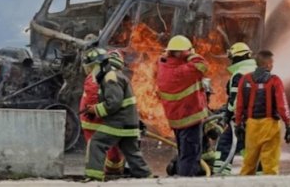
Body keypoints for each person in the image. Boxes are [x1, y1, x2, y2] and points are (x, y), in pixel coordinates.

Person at [81, 48, 151, 182]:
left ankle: (93, 177)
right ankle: (147, 177)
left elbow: (114, 103)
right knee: (132, 153)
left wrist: (95, 109)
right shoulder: (113, 75)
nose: (91, 71)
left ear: (100, 65)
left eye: (92, 67)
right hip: (128, 122)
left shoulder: (110, 77)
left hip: (119, 122)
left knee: (97, 143)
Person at [156, 35, 210, 177]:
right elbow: (203, 65)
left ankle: (185, 175)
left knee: (184, 152)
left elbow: (164, 58)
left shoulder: (163, 66)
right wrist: (192, 54)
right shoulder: (184, 71)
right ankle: (186, 181)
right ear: (181, 53)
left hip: (176, 119)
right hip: (189, 118)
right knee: (190, 155)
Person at [235, 50, 290, 175]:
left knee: (248, 163)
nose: (272, 65)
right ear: (268, 64)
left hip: (251, 126)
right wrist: (289, 125)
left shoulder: (245, 79)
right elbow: (282, 105)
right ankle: (269, 183)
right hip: (270, 126)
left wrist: (238, 124)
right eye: (272, 63)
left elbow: (239, 105)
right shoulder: (275, 80)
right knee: (270, 165)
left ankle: (243, 182)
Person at [79, 49, 125, 176]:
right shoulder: (100, 78)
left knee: (104, 151)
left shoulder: (100, 76)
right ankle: (101, 173)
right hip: (96, 121)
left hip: (94, 120)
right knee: (105, 151)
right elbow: (98, 99)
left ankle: (108, 172)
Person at [214, 41, 257, 174]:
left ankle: (220, 174)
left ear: (235, 58)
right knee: (249, 147)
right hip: (261, 120)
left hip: (243, 119)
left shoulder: (239, 74)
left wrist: (228, 116)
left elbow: (235, 101)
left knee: (225, 143)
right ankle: (258, 174)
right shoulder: (259, 71)